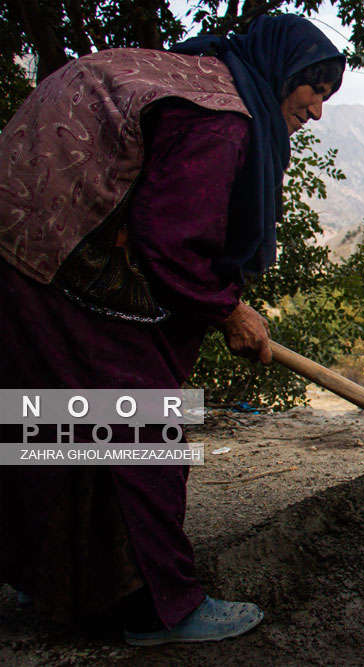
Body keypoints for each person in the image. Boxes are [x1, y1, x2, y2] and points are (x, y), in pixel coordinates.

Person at [0, 14, 345, 645]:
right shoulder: (223, 116)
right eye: (312, 89)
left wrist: (212, 302)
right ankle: (159, 609)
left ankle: (52, 580)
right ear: (282, 72)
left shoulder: (204, 77)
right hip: (56, 238)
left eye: (326, 96)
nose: (317, 111)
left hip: (20, 230)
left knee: (59, 415)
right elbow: (172, 241)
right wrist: (228, 310)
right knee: (145, 416)